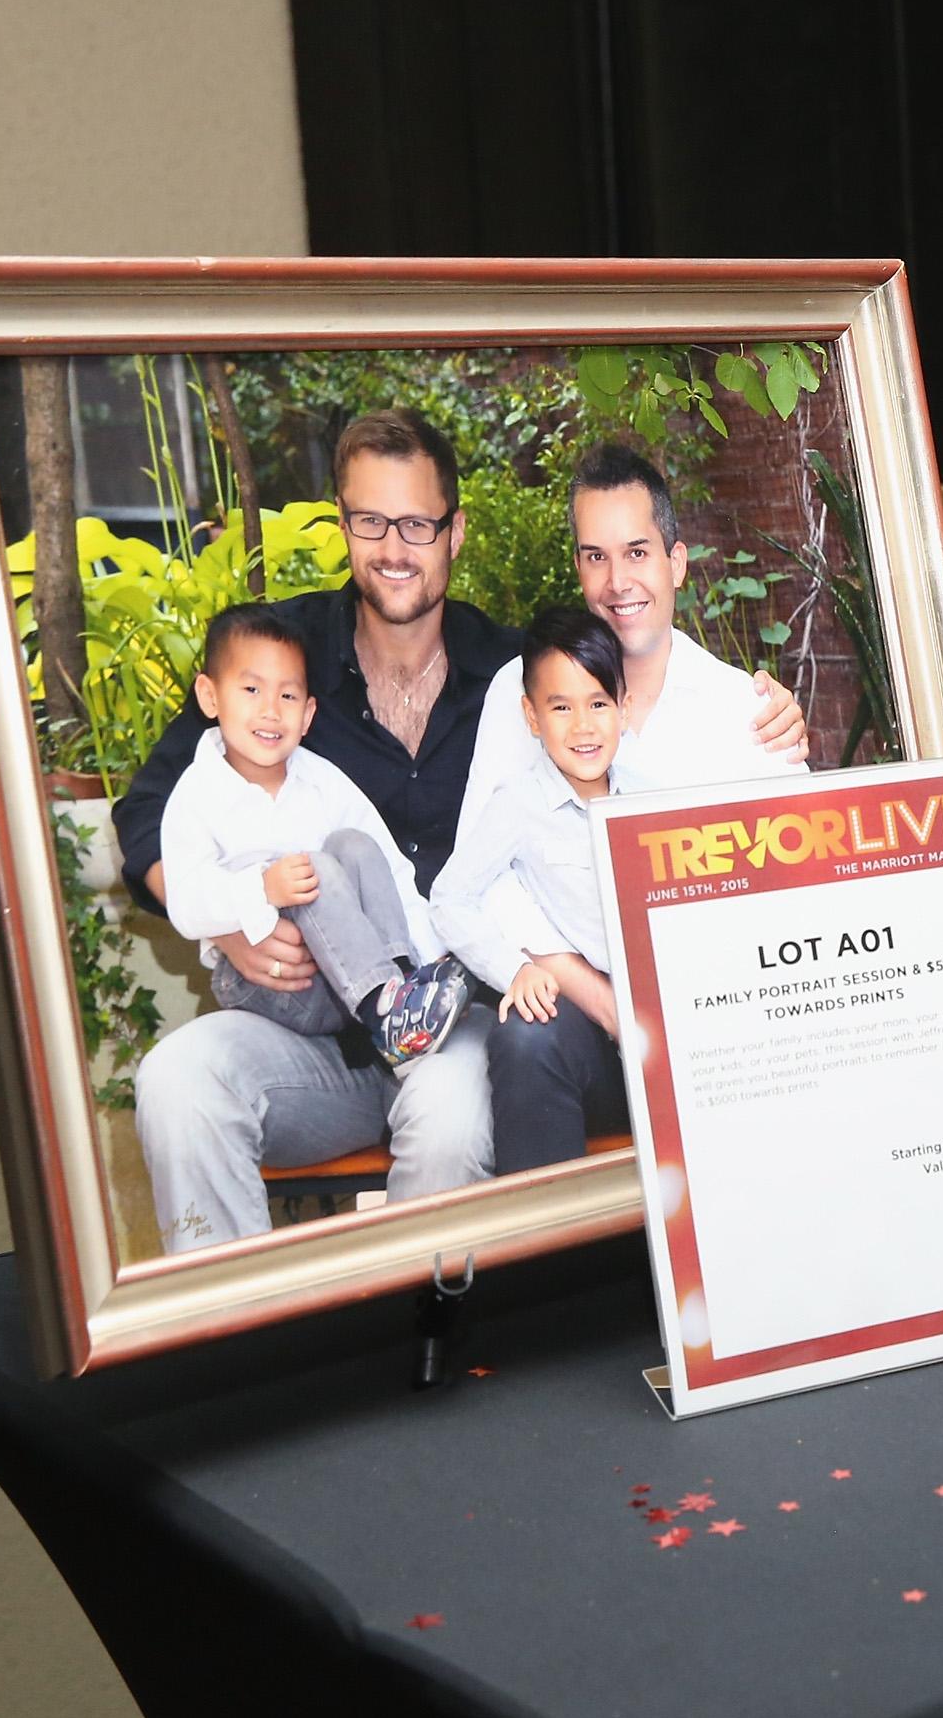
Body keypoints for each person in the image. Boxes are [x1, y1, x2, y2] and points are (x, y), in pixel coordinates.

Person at [114, 409, 809, 1253]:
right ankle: (236, 1338)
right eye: (371, 522)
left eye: (417, 524)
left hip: (446, 1026)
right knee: (177, 1083)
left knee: (449, 1120)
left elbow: (596, 750)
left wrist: (771, 716)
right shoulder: (279, 664)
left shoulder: (515, 677)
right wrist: (230, 918)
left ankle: (434, 1348)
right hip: (300, 1029)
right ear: (343, 527)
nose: (394, 547)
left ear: (455, 533)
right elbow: (147, 812)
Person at [456, 443, 806, 1172]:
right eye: (594, 557)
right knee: (524, 1038)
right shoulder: (515, 698)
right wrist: (605, 1001)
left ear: (676, 562)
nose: (618, 582)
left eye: (637, 552)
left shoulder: (744, 710)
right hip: (582, 1017)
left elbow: (789, 892)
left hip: (715, 1027)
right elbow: (483, 886)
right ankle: (554, 1272)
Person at [158, 603, 474, 1063]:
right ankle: (386, 1015)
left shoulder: (323, 781)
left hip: (342, 973)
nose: (270, 711)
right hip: (269, 979)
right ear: (209, 697)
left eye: (287, 697)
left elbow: (389, 867)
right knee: (318, 869)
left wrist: (434, 954)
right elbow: (186, 907)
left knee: (355, 845)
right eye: (251, 689)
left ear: (307, 715)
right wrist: (261, 889)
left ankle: (404, 990)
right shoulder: (196, 796)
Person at [431, 606, 633, 1174]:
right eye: (560, 707)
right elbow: (450, 897)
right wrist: (512, 968)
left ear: (625, 705)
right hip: (591, 1032)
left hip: (670, 1022)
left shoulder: (652, 797)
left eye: (598, 703)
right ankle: (550, 1247)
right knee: (524, 1036)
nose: (583, 726)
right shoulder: (519, 806)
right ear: (531, 716)